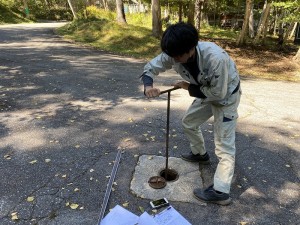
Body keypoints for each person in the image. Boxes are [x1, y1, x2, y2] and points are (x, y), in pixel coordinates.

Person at [140, 22, 241, 205]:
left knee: (224, 145)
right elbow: (150, 68)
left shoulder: (215, 58)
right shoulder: (174, 52)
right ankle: (200, 154)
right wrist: (148, 86)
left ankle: (221, 191)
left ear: (192, 47)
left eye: (179, 56)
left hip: (226, 98)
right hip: (205, 92)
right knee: (189, 122)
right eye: (172, 56)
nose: (175, 60)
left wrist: (188, 87)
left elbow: (219, 93)